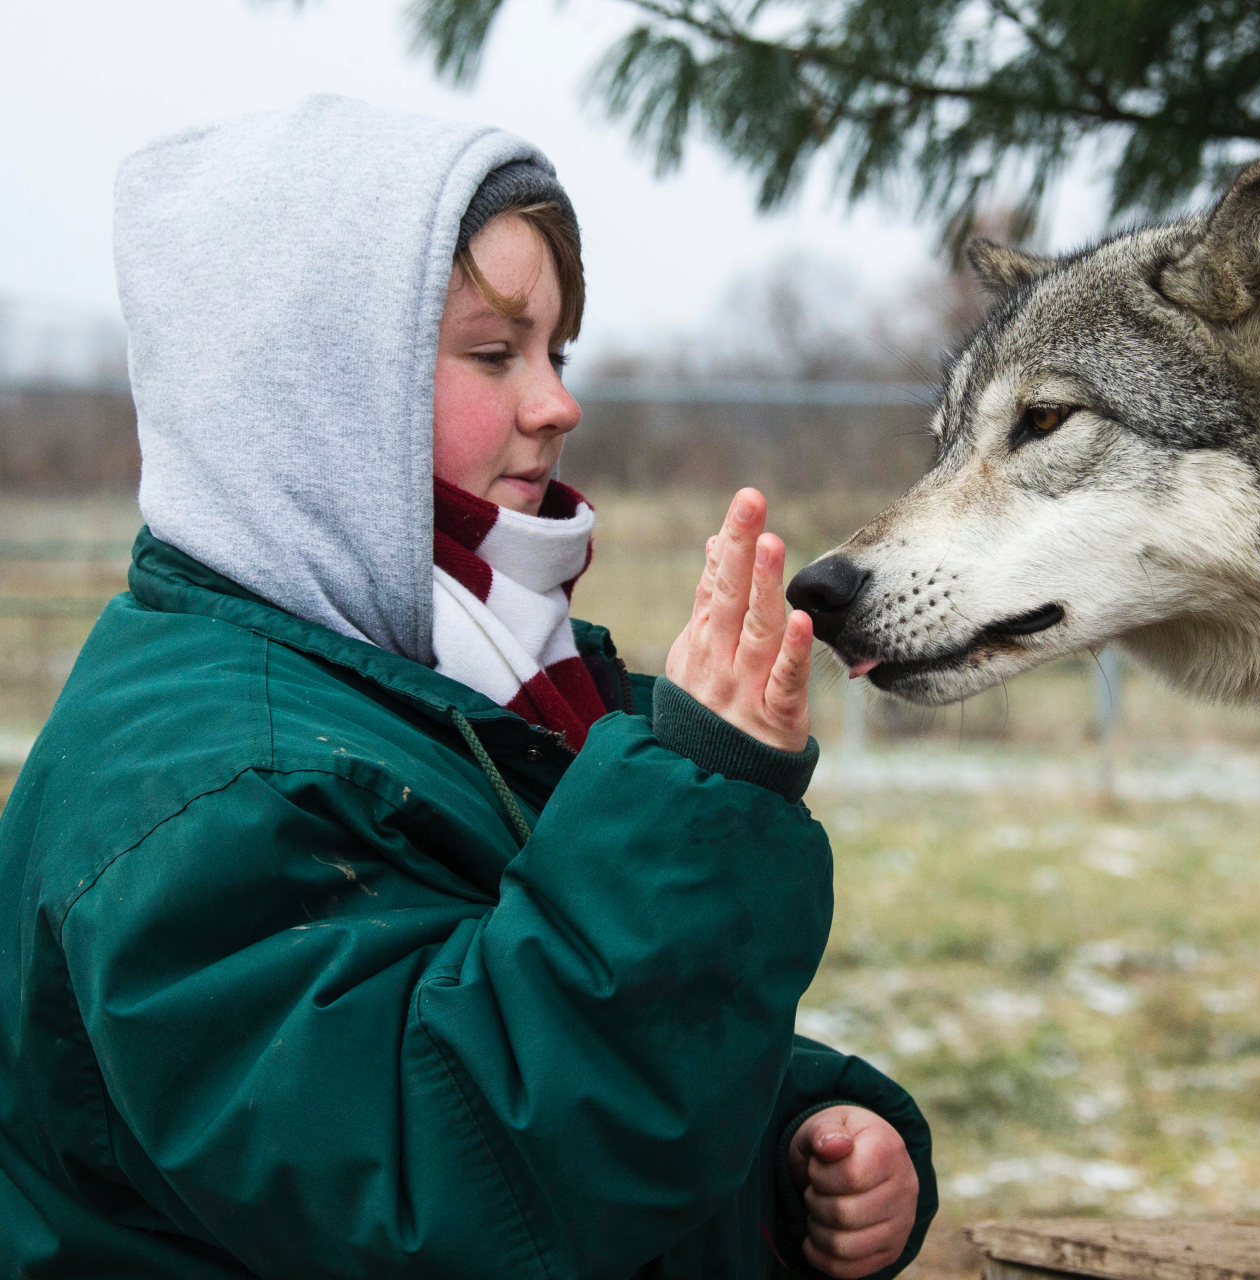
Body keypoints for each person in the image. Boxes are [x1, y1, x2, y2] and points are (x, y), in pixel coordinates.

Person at [0, 97, 935, 1279]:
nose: (556, 403)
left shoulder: (448, 678)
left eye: (557, 350)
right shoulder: (220, 789)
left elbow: (517, 1000)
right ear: (317, 401)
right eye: (496, 354)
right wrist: (693, 794)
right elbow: (466, 1179)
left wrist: (792, 1153)